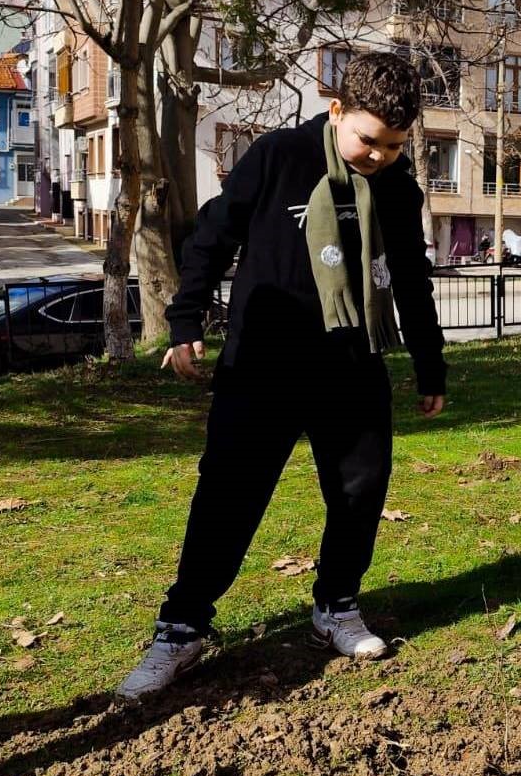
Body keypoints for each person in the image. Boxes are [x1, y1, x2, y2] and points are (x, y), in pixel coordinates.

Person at [117, 52, 449, 699]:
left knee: (360, 492)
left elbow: (411, 279)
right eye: (368, 139)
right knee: (228, 499)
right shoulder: (278, 158)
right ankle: (181, 630)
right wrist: (184, 319)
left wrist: (430, 364)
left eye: (394, 145)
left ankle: (336, 606)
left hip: (352, 371)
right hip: (262, 368)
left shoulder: (398, 190)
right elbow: (212, 237)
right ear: (335, 111)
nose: (379, 155)